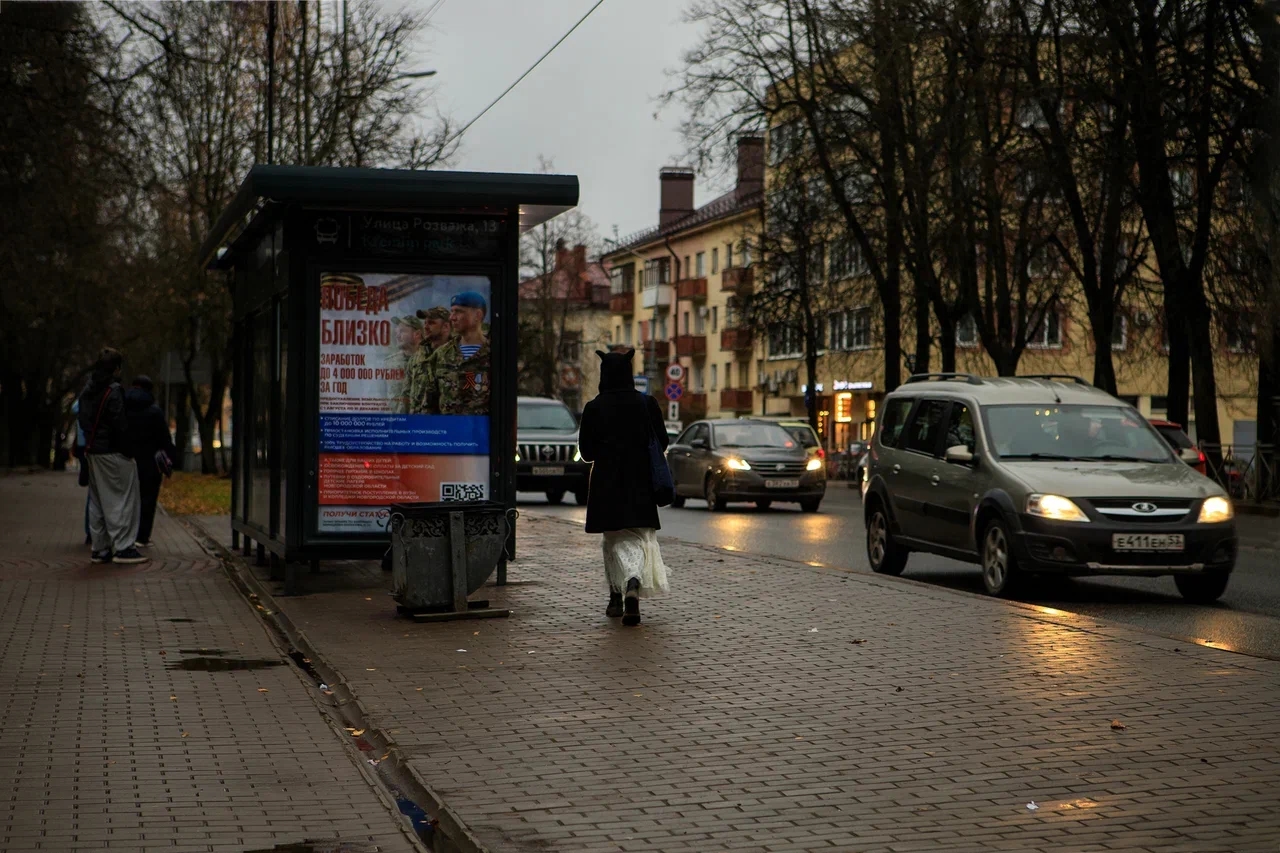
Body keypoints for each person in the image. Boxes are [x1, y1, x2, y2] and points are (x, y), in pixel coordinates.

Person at [577, 348, 670, 626]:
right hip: (641, 483)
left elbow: (586, 453)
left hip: (606, 485)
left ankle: (616, 597)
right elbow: (662, 441)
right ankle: (632, 584)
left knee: (612, 540)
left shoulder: (594, 407)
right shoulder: (647, 404)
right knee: (639, 538)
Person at [77, 348, 147, 565]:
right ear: (117, 368)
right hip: (113, 452)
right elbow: (120, 425)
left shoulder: (88, 389)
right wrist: (129, 451)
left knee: (97, 501)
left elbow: (83, 419)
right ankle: (123, 548)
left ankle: (100, 548)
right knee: (122, 500)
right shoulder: (113, 391)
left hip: (93, 451)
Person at [125, 375, 178, 547]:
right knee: (147, 500)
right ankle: (142, 537)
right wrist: (171, 459)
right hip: (149, 463)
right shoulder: (154, 411)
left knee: (126, 499)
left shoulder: (122, 407)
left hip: (125, 460)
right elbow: (164, 439)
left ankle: (124, 535)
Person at [421, 291, 491, 415]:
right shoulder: (441, 355)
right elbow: (429, 406)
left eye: (458, 312)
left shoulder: (495, 354)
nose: (452, 317)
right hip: (448, 427)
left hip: (480, 427)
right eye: (452, 312)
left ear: (477, 315)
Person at [406, 306, 451, 413]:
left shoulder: (457, 357)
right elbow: (406, 394)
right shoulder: (417, 357)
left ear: (445, 326)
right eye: (425, 323)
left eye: (431, 323)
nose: (425, 327)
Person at [385, 316, 423, 413]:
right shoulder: (389, 362)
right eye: (396, 332)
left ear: (417, 334)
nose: (397, 336)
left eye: (402, 331)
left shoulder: (431, 360)